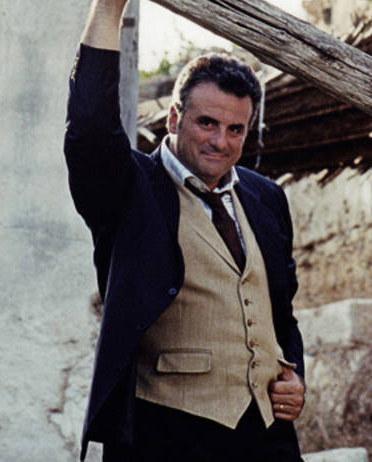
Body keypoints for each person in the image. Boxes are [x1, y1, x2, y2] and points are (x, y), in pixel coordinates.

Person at [64, 0, 305, 460]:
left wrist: (295, 376)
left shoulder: (267, 198)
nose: (220, 141)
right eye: (206, 123)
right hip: (165, 435)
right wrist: (109, 10)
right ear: (174, 118)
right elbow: (90, 126)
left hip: (266, 437)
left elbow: (281, 313)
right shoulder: (131, 189)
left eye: (235, 129)